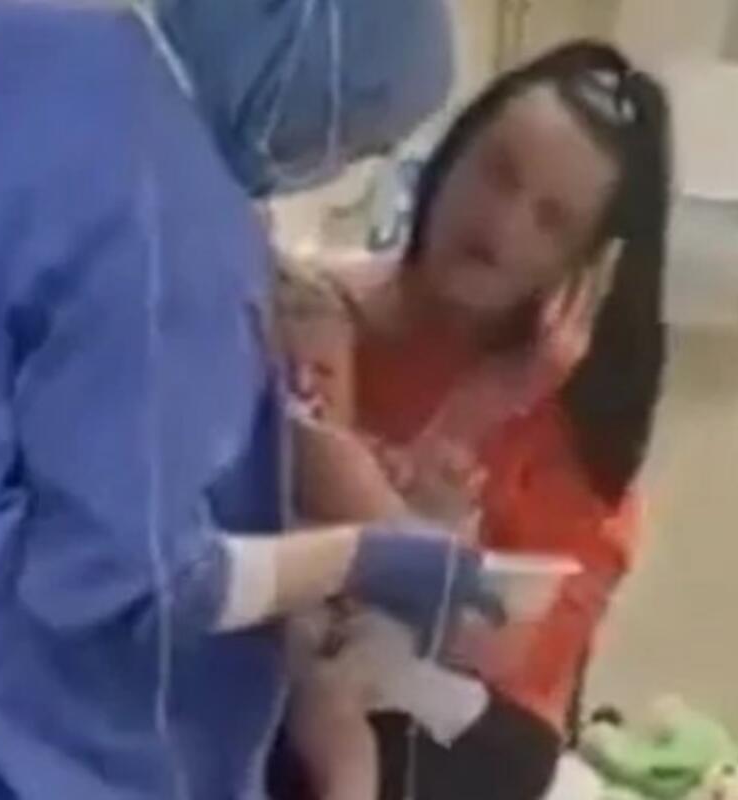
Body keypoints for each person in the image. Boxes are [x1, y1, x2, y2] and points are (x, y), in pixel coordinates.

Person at [0, 0, 503, 797]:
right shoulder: (171, 217)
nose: (339, 163)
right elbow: (133, 578)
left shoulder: (18, 40)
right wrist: (356, 558)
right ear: (313, 51)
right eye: (358, 136)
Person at [277, 40, 674, 800]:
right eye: (497, 172)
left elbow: (497, 651)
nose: (502, 221)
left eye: (551, 220)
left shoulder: (575, 427)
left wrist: (477, 413)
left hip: (461, 742)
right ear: (452, 150)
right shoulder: (309, 311)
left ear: (587, 266)